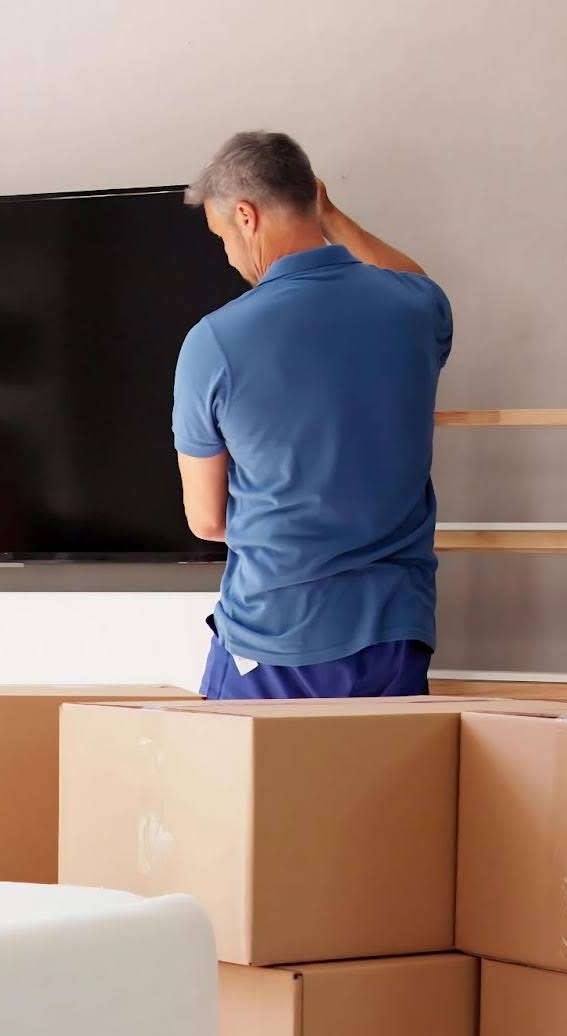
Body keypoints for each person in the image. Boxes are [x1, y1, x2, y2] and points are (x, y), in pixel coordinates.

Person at [173, 131, 453, 700]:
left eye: (222, 235)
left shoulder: (215, 341)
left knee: (226, 762)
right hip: (395, 633)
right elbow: (417, 280)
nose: (228, 255)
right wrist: (330, 217)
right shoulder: (417, 309)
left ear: (246, 216)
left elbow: (206, 520)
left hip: (274, 637)